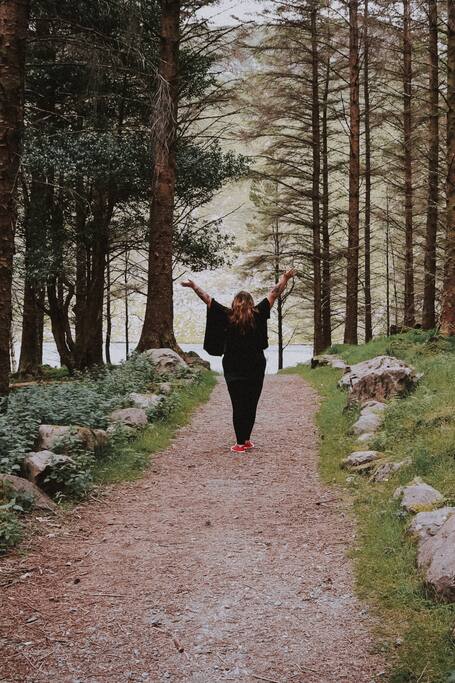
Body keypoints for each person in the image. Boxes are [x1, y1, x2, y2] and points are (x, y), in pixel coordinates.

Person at [181, 269, 296, 454]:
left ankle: (240, 443)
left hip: (233, 366)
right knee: (251, 402)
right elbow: (274, 293)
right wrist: (285, 278)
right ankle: (246, 439)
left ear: (234, 303)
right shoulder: (259, 313)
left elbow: (207, 299)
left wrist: (194, 286)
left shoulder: (227, 315)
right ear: (251, 303)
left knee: (238, 404)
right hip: (255, 365)